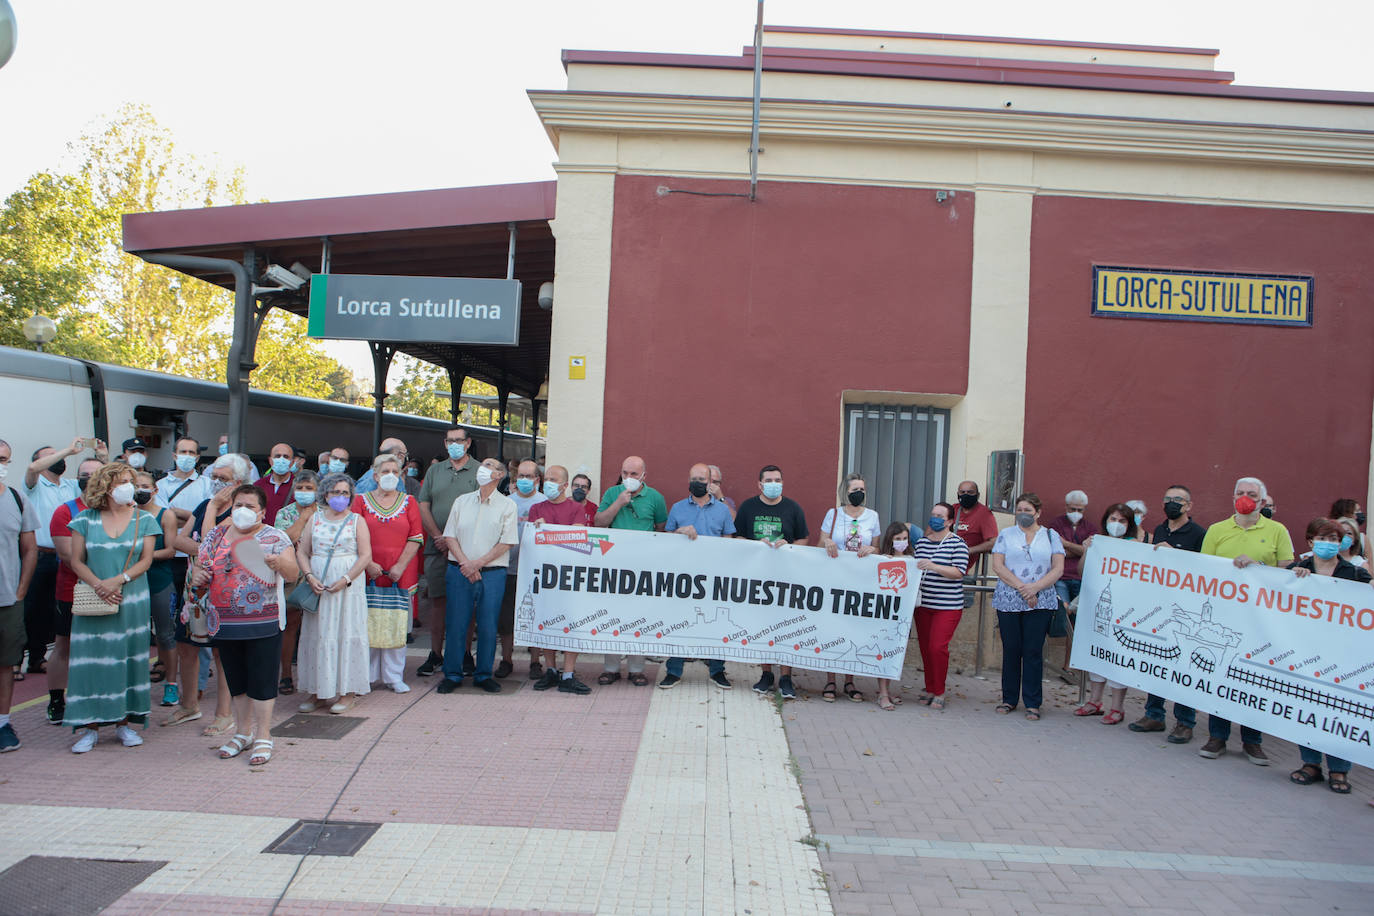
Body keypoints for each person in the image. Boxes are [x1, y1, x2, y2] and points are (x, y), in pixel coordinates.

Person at [192, 485, 297, 765]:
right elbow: (201, 566)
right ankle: (242, 732)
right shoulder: (216, 535)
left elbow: (293, 573)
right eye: (238, 505)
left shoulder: (275, 537)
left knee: (262, 679)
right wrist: (198, 575)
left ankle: (264, 736)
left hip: (263, 621)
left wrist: (278, 563)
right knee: (236, 680)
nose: (243, 511)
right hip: (224, 621)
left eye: (250, 507)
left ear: (262, 512)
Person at [64, 462, 160, 753]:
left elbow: (146, 560)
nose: (128, 486)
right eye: (121, 481)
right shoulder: (84, 519)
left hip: (131, 600)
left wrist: (118, 580)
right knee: (91, 661)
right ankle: (89, 726)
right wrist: (99, 585)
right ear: (105, 486)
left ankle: (124, 723)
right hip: (95, 600)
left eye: (130, 480)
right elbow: (76, 560)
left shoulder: (144, 519)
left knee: (128, 658)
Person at [1197, 476, 1293, 765]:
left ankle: (1252, 741)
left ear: (1262, 502)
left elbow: (1287, 572)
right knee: (1222, 673)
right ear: (1233, 497)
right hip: (1224, 616)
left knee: (1255, 679)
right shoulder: (1217, 530)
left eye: (1252, 494)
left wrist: (1258, 568)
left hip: (1260, 619)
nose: (1245, 498)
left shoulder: (1277, 531)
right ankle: (1217, 736)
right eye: (1240, 492)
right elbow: (1204, 569)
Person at [166, 452, 253, 735]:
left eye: (222, 478)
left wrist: (205, 544)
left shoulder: (240, 511)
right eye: (213, 477)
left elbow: (212, 543)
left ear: (237, 482)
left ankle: (224, 714)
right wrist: (204, 549)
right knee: (186, 646)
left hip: (224, 588)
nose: (216, 482)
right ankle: (189, 705)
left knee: (222, 650)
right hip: (194, 587)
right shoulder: (204, 505)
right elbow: (179, 540)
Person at [1288, 518, 1367, 795]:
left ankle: (1339, 769)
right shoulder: (1298, 569)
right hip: (1305, 651)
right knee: (1306, 705)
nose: (1329, 543)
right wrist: (1290, 577)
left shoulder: (1354, 574)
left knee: (1340, 710)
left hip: (1342, 654)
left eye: (1334, 539)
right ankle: (1310, 763)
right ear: (1311, 541)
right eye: (1323, 538)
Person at [1130, 485, 1205, 741]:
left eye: (1178, 500)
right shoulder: (1160, 530)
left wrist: (1178, 556)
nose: (1172, 503)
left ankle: (1185, 721)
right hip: (1160, 607)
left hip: (1187, 610)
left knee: (1184, 666)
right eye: (1167, 499)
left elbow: (1205, 570)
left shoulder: (1199, 534)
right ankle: (1154, 714)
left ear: (1189, 505)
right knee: (1157, 661)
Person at [23, 437, 100, 683]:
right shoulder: (34, 485)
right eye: (51, 456)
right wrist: (68, 450)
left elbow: (99, 481)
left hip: (69, 555)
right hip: (42, 554)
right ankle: (20, 659)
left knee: (52, 610)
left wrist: (102, 456)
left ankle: (40, 657)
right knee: (31, 608)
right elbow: (33, 468)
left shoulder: (70, 485)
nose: (59, 459)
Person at [438, 458, 518, 694]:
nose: (483, 468)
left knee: (488, 625)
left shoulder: (507, 505)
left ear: (499, 475)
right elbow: (450, 536)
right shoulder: (462, 501)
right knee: (456, 623)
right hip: (459, 570)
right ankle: (452, 674)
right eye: (483, 464)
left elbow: (507, 542)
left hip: (492, 573)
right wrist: (466, 563)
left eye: (489, 465)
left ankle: (483, 674)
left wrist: (478, 564)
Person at [295, 473, 372, 714]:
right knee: (318, 634)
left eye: (345, 493)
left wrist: (346, 579)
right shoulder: (315, 519)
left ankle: (347, 693)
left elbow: (365, 555)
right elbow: (302, 551)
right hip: (318, 585)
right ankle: (318, 691)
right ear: (325, 495)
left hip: (347, 588)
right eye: (335, 492)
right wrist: (309, 576)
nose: (340, 497)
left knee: (346, 632)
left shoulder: (357, 521)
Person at [660, 463, 736, 689]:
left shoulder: (722, 510)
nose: (697, 483)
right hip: (684, 576)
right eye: (694, 479)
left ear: (710, 482)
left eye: (702, 479)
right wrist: (679, 532)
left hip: (713, 577)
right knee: (679, 622)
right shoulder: (677, 508)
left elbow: (729, 542)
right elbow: (666, 540)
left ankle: (717, 670)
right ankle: (674, 670)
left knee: (716, 623)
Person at [735, 465, 809, 699]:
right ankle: (766, 674)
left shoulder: (793, 508)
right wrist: (755, 546)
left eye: (777, 480)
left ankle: (786, 677)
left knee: (786, 626)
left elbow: (804, 539)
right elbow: (738, 537)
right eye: (768, 480)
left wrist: (789, 547)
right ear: (759, 484)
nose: (773, 484)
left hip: (786, 578)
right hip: (758, 579)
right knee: (763, 625)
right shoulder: (748, 507)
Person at [989, 493, 1064, 720]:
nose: (1023, 514)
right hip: (1009, 599)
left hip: (1040, 600)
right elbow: (998, 566)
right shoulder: (1006, 534)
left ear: (1038, 513)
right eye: (1019, 510)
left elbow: (1058, 568)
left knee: (1033, 651)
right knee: (1011, 649)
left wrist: (1036, 588)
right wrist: (1023, 588)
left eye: (1028, 510)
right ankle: (1009, 698)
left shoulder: (1051, 536)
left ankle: (1032, 702)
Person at [354, 454, 422, 694]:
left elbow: (415, 537)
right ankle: (367, 676)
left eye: (395, 471)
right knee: (368, 623)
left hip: (400, 573)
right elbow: (353, 535)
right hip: (368, 570)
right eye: (385, 471)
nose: (390, 476)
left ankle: (394, 676)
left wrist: (400, 566)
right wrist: (368, 563)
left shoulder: (409, 502)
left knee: (396, 624)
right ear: (375, 476)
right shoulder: (360, 501)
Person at [595, 456, 667, 686]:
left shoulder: (655, 498)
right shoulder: (612, 493)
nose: (628, 477)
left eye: (634, 474)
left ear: (644, 475)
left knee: (639, 616)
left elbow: (661, 529)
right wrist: (618, 503)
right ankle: (611, 668)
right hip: (615, 566)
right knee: (612, 615)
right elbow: (599, 523)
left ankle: (637, 669)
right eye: (625, 473)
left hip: (643, 568)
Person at [43, 456, 104, 725]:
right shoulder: (65, 511)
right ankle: (57, 700)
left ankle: (99, 698)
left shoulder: (115, 510)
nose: (88, 479)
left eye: (95, 474)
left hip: (109, 589)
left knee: (102, 645)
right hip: (73, 590)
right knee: (64, 645)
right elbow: (68, 556)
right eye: (83, 474)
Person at [416, 428, 479, 678]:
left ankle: (465, 653)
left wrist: (454, 543)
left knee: (467, 604)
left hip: (466, 551)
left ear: (468, 443)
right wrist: (438, 537)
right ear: (445, 443)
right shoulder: (434, 471)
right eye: (450, 440)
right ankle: (435, 654)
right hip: (436, 547)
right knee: (438, 602)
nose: (454, 444)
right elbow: (424, 505)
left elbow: (481, 510)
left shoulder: (478, 471)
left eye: (459, 440)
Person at [528, 465, 595, 694]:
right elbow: (533, 539)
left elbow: (576, 538)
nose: (548, 483)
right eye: (546, 478)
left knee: (571, 622)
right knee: (546, 620)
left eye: (553, 479)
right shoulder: (536, 508)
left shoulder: (576, 508)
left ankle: (568, 674)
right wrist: (540, 530)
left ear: (565, 485)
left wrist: (550, 532)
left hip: (569, 576)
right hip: (545, 575)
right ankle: (550, 670)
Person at [817, 473, 881, 702]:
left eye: (862, 490)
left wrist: (872, 549)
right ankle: (830, 679)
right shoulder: (833, 514)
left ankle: (850, 680)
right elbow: (819, 544)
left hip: (859, 582)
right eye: (855, 490)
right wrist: (827, 542)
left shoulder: (872, 516)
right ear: (845, 492)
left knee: (853, 630)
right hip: (835, 580)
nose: (859, 493)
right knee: (833, 629)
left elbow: (878, 548)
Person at [1074, 503, 1136, 724]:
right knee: (1096, 654)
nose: (1116, 524)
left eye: (1122, 521)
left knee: (1117, 656)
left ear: (1129, 524)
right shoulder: (1097, 542)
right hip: (1096, 607)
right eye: (1113, 519)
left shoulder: (1135, 546)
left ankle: (1117, 708)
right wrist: (1087, 550)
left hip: (1123, 610)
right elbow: (1082, 571)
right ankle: (1094, 701)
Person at [911, 501, 970, 711]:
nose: (935, 519)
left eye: (940, 516)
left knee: (937, 647)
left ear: (950, 521)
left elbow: (959, 572)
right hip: (923, 605)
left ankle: (939, 691)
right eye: (933, 514)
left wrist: (934, 566)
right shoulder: (922, 543)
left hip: (947, 606)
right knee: (926, 648)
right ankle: (929, 688)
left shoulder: (958, 544)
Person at [0, 439, 39, 752]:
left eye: (4, 459)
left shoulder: (16, 499)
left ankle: (3, 724)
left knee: (6, 664)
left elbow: (29, 549)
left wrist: (21, 589)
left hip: (7, 599)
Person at [134, 470, 179, 705]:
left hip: (160, 581)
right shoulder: (126, 514)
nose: (140, 490)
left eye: (144, 486)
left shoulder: (165, 515)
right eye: (135, 485)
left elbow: (170, 550)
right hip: (133, 583)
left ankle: (171, 685)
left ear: (155, 490)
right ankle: (135, 686)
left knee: (166, 634)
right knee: (136, 636)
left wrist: (143, 558)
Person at [273, 469, 318, 694]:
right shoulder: (285, 513)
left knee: (317, 626)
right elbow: (285, 540)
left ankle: (315, 675)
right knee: (290, 624)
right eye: (300, 488)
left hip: (318, 575)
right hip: (292, 576)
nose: (304, 492)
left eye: (309, 488)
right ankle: (286, 675)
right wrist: (303, 518)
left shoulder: (326, 512)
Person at [502, 459, 547, 678]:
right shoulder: (507, 502)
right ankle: (506, 660)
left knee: (535, 616)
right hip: (509, 568)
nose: (524, 480)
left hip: (535, 571)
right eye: (521, 476)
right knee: (506, 618)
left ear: (537, 479)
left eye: (529, 476)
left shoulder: (545, 502)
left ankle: (535, 661)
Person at [1047, 489, 1096, 679]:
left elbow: (1091, 552)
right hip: (1061, 577)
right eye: (1073, 509)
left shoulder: (1090, 528)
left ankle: (1068, 667)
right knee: (1064, 613)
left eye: (1080, 509)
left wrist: (1066, 544)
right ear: (1066, 507)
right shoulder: (1056, 524)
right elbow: (1054, 550)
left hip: (1083, 578)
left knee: (1076, 624)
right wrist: (1080, 548)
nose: (1076, 512)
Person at [873, 522, 917, 711]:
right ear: (890, 540)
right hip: (885, 614)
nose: (901, 542)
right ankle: (883, 693)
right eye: (898, 538)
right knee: (884, 651)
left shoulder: (912, 560)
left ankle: (887, 690)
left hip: (903, 616)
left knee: (895, 653)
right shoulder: (882, 559)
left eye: (904, 538)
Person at [949, 481, 999, 560]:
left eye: (970, 492)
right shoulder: (953, 509)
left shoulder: (984, 513)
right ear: (958, 494)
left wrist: (967, 551)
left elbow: (994, 542)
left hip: (962, 560)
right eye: (962, 492)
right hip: (946, 554)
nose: (966, 495)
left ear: (978, 495)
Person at [252, 442, 297, 526]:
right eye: (277, 456)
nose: (281, 460)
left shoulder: (299, 486)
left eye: (286, 457)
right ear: (270, 460)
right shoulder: (258, 485)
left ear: (292, 462)